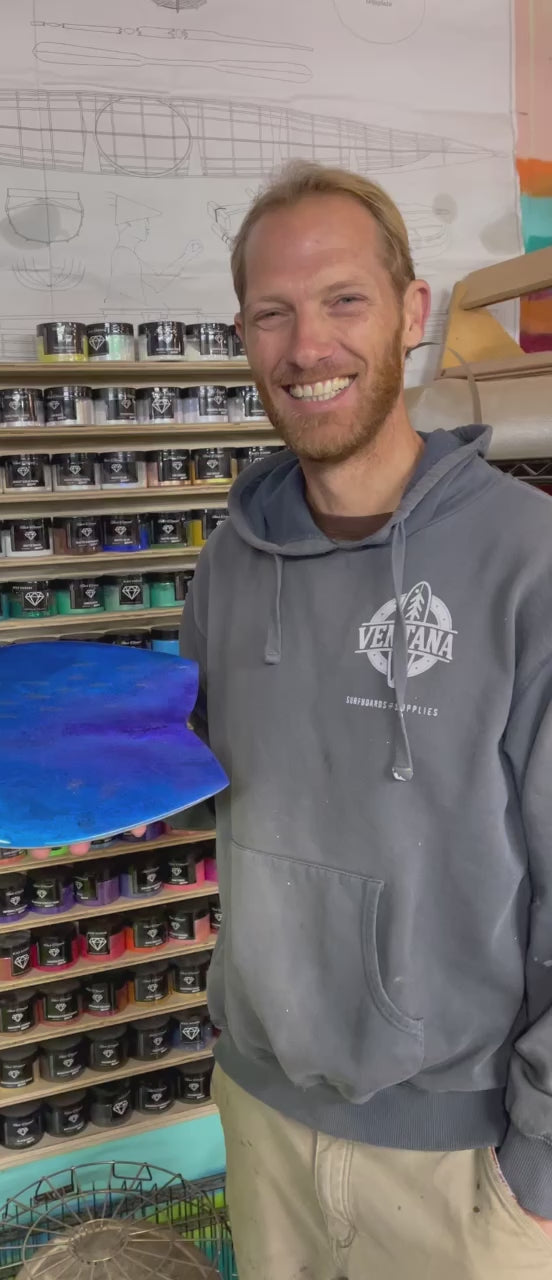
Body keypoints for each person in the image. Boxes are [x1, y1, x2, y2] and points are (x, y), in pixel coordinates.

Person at [177, 162, 552, 1277]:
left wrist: (541, 1162)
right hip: (262, 1111)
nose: (308, 346)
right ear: (243, 335)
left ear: (411, 310)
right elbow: (216, 791)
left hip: (464, 1160)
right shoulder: (228, 564)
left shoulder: (528, 565)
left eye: (344, 299)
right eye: (273, 313)